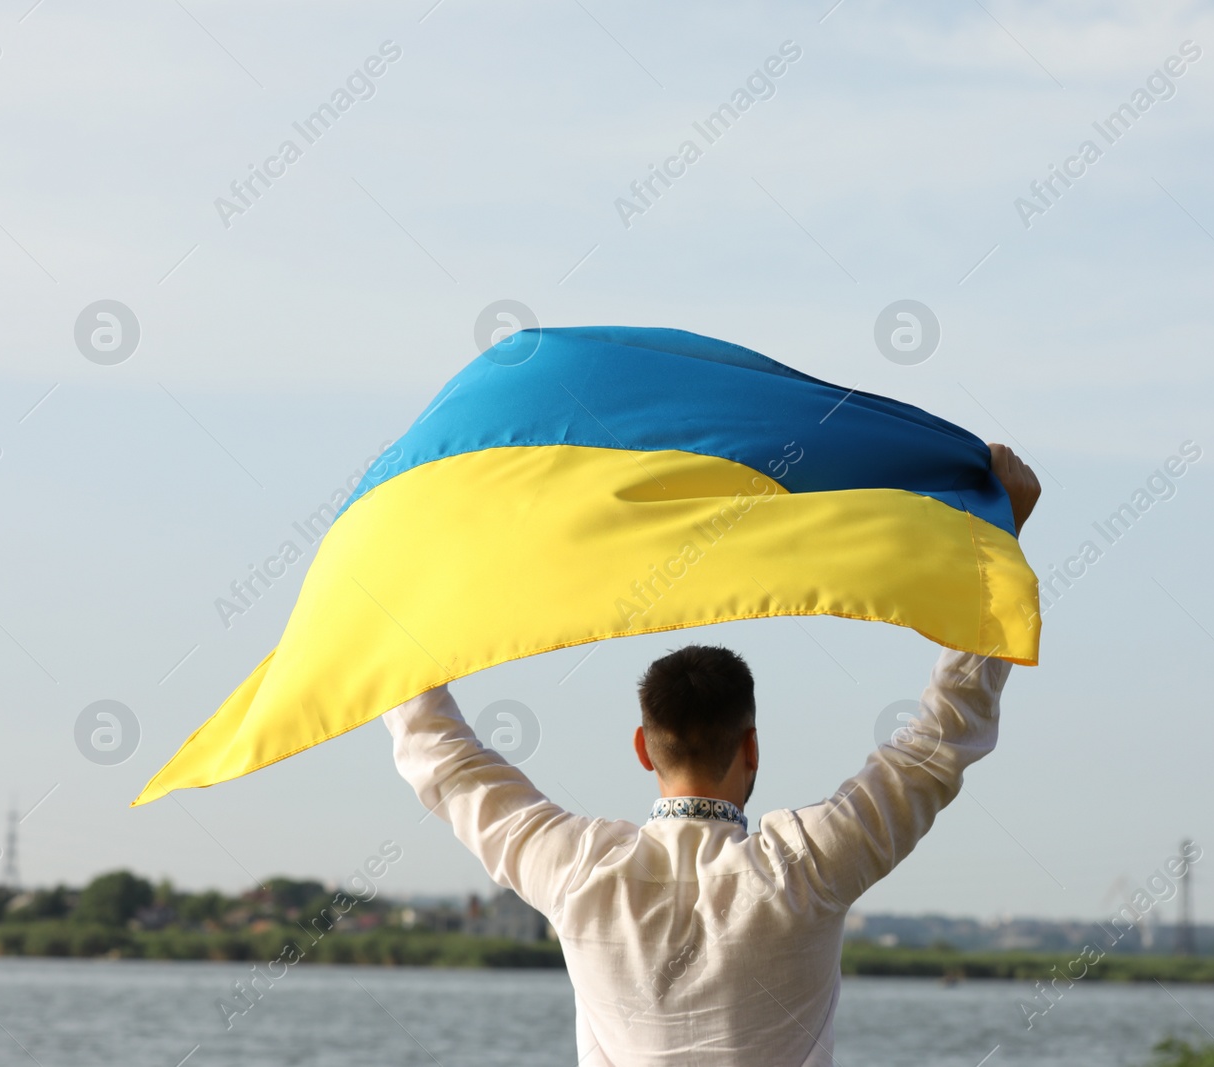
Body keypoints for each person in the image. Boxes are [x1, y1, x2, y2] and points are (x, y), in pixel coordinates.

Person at [384, 444, 1041, 1065]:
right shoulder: (806, 867)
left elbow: (442, 757)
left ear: (643, 746)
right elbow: (939, 739)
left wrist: (387, 613)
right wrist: (997, 542)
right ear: (750, 744)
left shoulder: (578, 870)